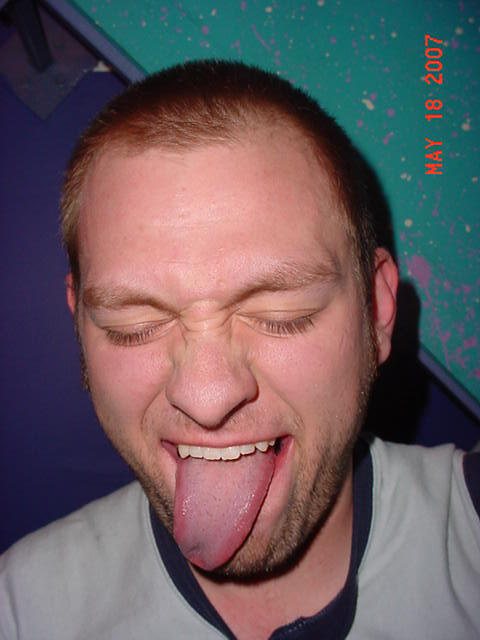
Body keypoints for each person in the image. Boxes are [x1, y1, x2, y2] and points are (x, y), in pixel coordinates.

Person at [0, 60, 478, 640]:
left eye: (281, 314)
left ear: (377, 311)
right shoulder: (20, 611)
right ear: (80, 327)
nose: (207, 399)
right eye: (134, 324)